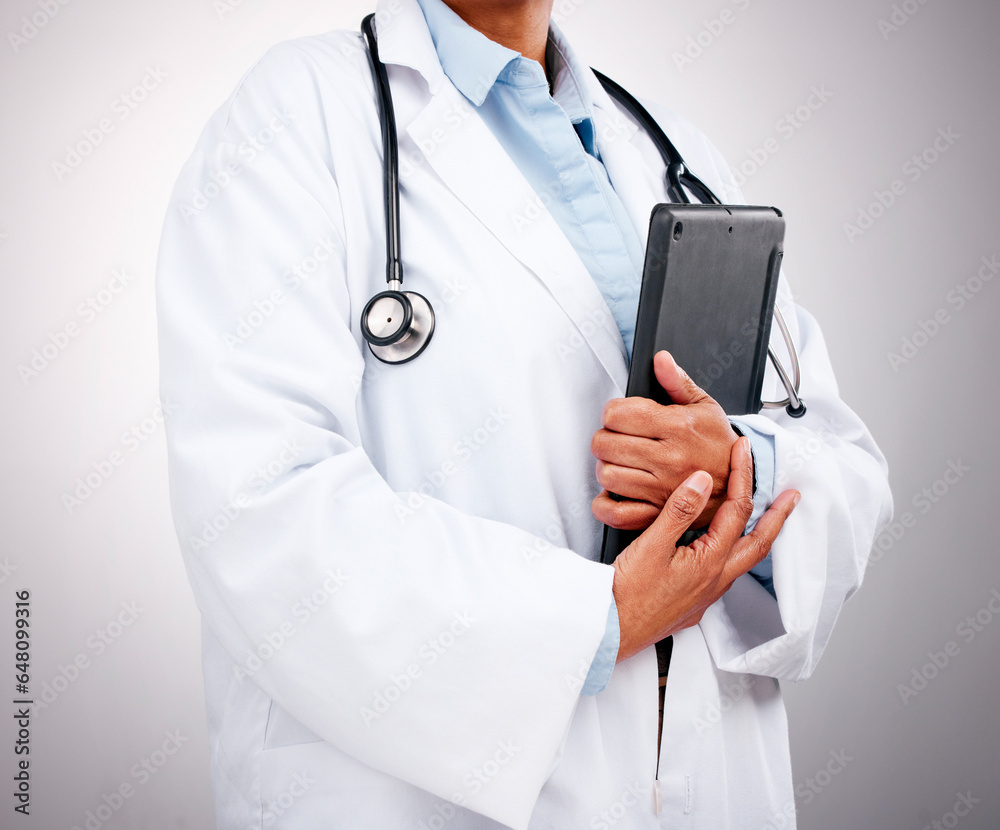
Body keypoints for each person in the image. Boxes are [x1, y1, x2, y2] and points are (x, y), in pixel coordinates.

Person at [155, 0, 893, 827]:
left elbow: (845, 467)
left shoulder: (671, 150)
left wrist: (738, 471)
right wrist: (598, 620)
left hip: (710, 782)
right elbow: (256, 506)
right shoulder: (297, 118)